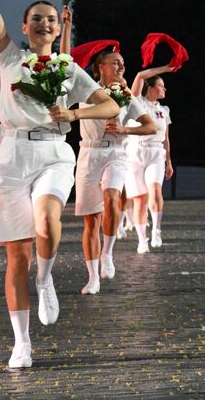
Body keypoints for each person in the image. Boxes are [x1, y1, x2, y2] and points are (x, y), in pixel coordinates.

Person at [0, 0, 119, 369]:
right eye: (36, 19)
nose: (43, 24)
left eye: (50, 20)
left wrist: (74, 116)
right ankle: (22, 343)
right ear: (25, 27)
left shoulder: (68, 68)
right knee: (16, 255)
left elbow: (109, 103)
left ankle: (47, 277)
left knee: (47, 220)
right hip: (12, 157)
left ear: (59, 28)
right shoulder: (9, 58)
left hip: (55, 153)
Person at [74, 46, 157, 294]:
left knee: (111, 198)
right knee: (91, 220)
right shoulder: (84, 89)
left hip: (116, 153)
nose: (121, 67)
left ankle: (107, 253)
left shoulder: (126, 96)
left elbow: (151, 126)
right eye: (115, 63)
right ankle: (92, 277)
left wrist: (125, 130)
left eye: (122, 63)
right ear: (100, 66)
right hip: (89, 153)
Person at [127, 65, 175, 252]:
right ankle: (142, 240)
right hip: (136, 152)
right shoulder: (138, 102)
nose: (164, 89)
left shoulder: (165, 110)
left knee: (155, 191)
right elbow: (139, 75)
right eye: (161, 85)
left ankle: (156, 230)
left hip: (156, 153)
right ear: (151, 88)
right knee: (139, 199)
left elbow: (167, 138)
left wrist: (169, 161)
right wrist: (166, 69)